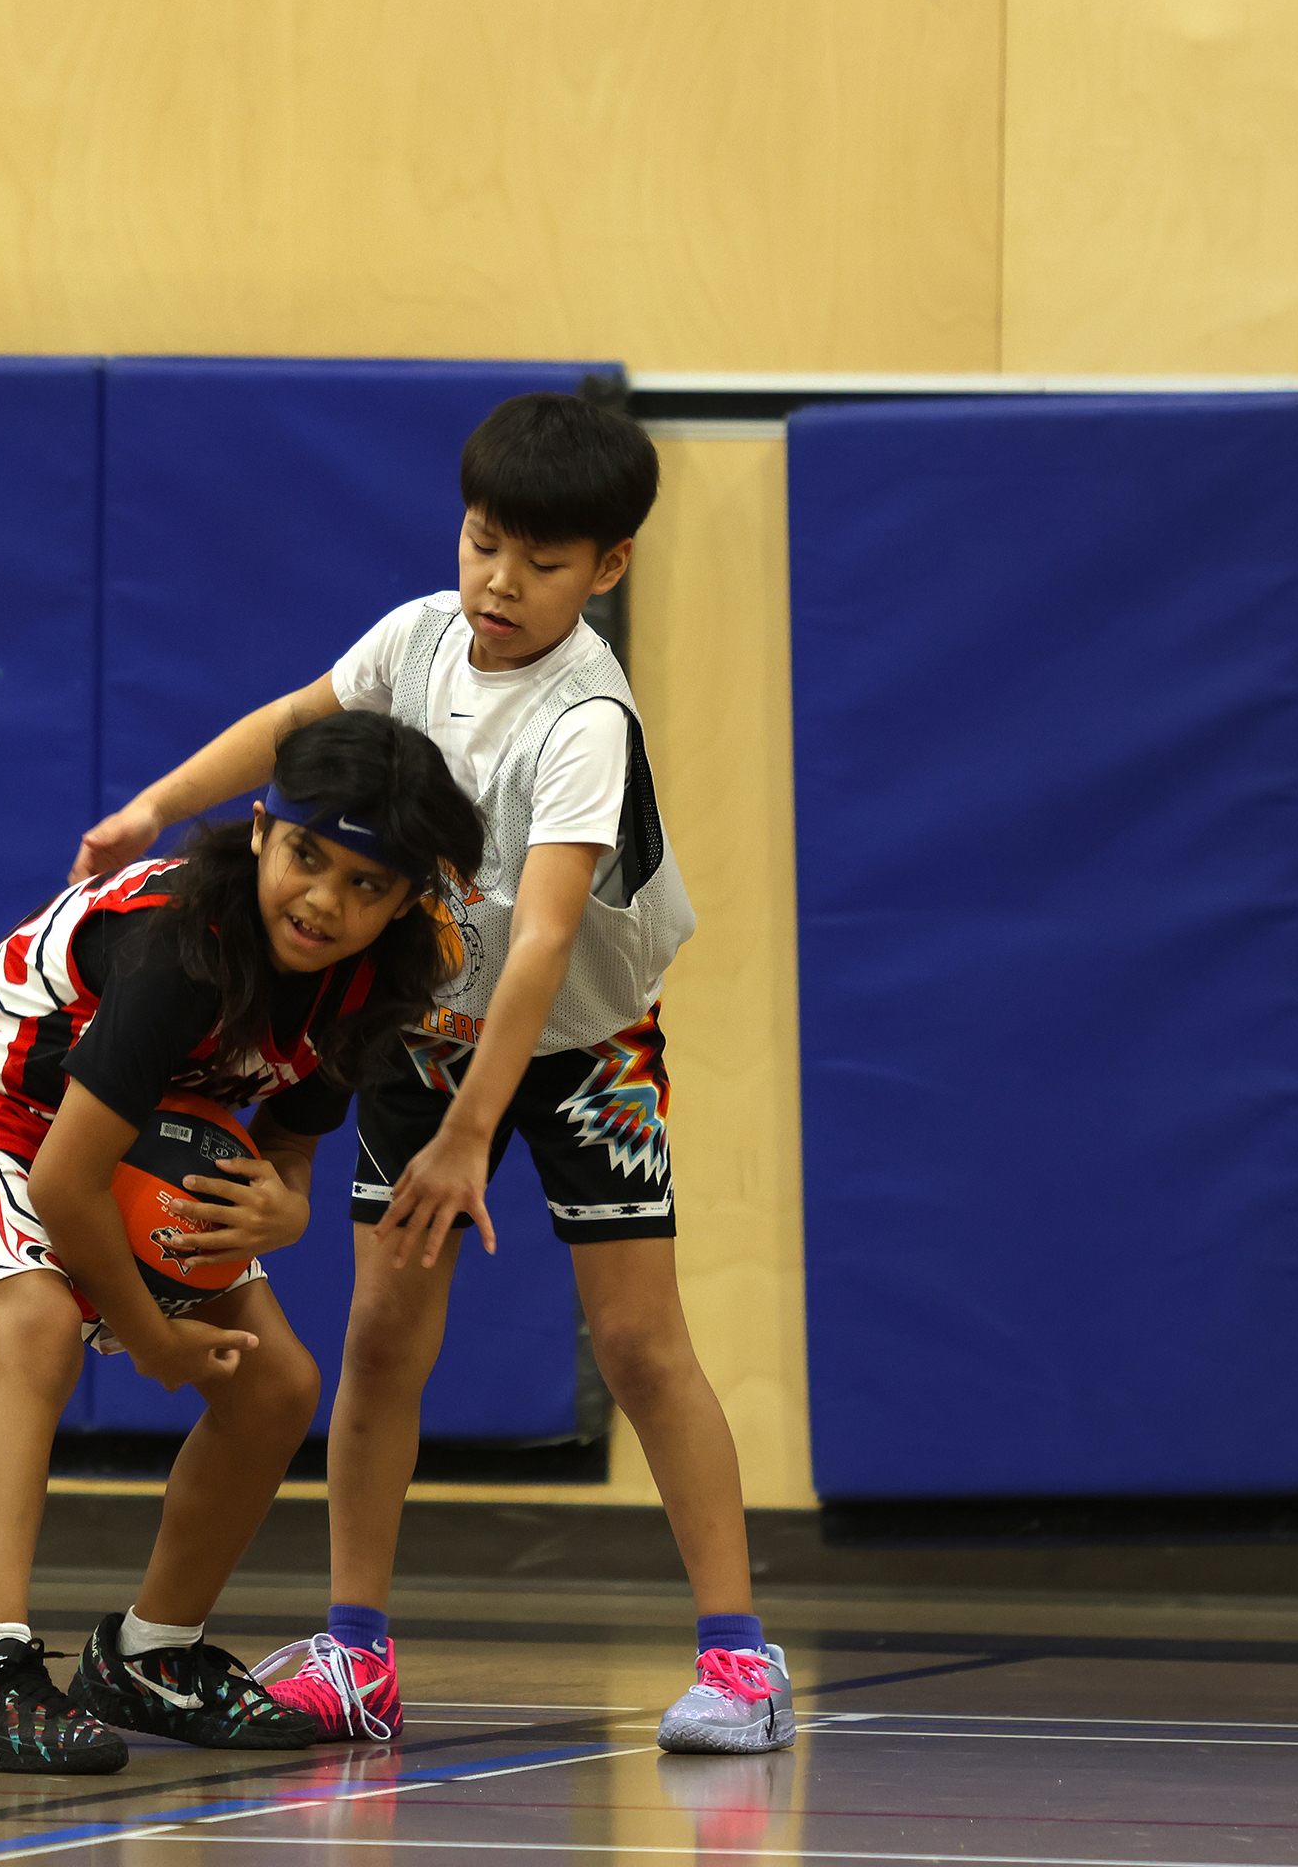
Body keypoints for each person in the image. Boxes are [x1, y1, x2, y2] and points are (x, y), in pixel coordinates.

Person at [70, 392, 792, 1755]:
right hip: (423, 1034)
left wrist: (469, 1136)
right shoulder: (416, 640)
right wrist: (158, 808)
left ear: (609, 570)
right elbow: (293, 725)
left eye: (543, 560)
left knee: (640, 1341)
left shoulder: (585, 722)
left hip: (584, 1049)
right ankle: (357, 1655)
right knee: (384, 1336)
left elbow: (547, 943)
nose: (500, 582)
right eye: (482, 543)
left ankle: (741, 1660)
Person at [0, 710, 483, 1773]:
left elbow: (291, 1151)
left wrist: (291, 1209)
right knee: (36, 1331)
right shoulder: (182, 949)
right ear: (261, 829)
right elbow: (67, 1182)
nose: (325, 901)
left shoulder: (378, 980)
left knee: (277, 1385)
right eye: (310, 856)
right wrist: (154, 1344)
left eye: (368, 885)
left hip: (148, 1122)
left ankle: (151, 1654)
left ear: (406, 900)